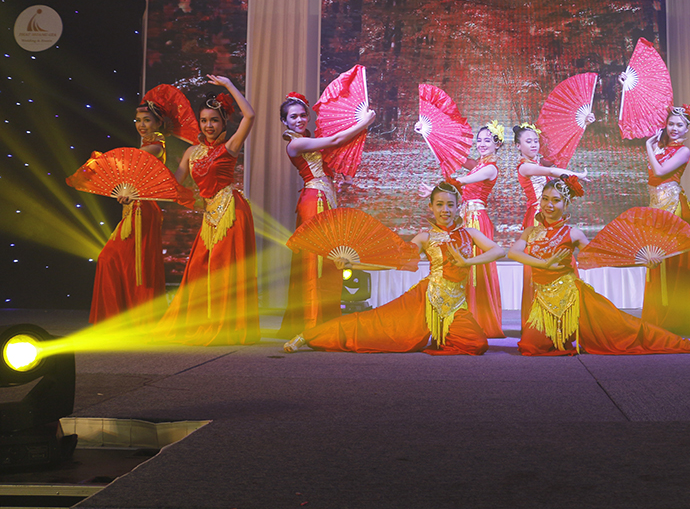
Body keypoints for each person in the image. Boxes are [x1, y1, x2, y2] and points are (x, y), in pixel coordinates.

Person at [283, 183, 505, 354]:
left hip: (454, 305)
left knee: (476, 344)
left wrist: (468, 263)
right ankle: (308, 336)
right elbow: (394, 261)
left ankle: (442, 334)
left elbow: (499, 251)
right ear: (431, 207)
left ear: (459, 207)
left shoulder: (470, 233)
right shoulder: (425, 237)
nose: (445, 210)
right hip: (425, 300)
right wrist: (352, 265)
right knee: (373, 325)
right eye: (439, 204)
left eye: (450, 205)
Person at [509, 177, 690, 356]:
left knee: (626, 329)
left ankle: (686, 345)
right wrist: (545, 264)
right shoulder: (530, 232)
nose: (549, 205)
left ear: (566, 203)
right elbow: (513, 253)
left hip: (575, 300)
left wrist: (641, 262)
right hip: (543, 302)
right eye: (545, 199)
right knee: (530, 347)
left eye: (556, 200)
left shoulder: (573, 233)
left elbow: (604, 257)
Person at [156, 75, 259, 345]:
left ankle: (226, 326)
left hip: (231, 212)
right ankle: (202, 322)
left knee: (224, 269)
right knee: (200, 269)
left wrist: (228, 86)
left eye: (214, 120)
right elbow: (172, 185)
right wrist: (139, 191)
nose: (208, 125)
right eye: (203, 120)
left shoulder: (229, 147)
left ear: (223, 123)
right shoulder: (192, 152)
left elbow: (250, 116)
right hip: (209, 215)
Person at [278, 92, 375, 337]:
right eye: (293, 117)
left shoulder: (309, 140)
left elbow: (338, 146)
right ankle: (312, 321)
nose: (299, 120)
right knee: (315, 260)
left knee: (330, 260)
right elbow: (335, 140)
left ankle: (326, 318)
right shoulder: (295, 144)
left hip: (325, 199)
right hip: (314, 202)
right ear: (284, 121)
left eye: (302, 115)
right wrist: (364, 122)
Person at [89, 92, 182, 324]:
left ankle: (135, 319)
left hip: (143, 212)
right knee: (120, 262)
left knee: (126, 263)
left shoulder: (156, 146)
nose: (141, 125)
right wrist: (125, 191)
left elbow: (131, 163)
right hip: (134, 210)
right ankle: (122, 318)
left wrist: (103, 163)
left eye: (147, 120)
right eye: (138, 120)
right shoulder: (146, 146)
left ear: (158, 123)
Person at [420, 121, 506, 338]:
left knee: (473, 266)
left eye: (487, 140)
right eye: (479, 140)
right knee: (461, 264)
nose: (482, 144)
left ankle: (478, 319)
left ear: (497, 144)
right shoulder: (478, 164)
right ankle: (459, 314)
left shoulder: (489, 168)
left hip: (476, 219)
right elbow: (452, 157)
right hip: (466, 217)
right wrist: (429, 136)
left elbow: (462, 180)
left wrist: (436, 190)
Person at [513, 123, 590, 327]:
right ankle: (538, 320)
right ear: (518, 146)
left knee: (561, 258)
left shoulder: (536, 162)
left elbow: (557, 157)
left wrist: (582, 126)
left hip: (551, 216)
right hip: (538, 218)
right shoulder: (525, 166)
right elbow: (551, 170)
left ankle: (563, 315)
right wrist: (575, 176)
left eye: (535, 141)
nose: (533, 145)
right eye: (528, 141)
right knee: (540, 265)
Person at [641, 104, 690, 336]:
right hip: (656, 208)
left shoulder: (683, 151)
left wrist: (648, 147)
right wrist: (654, 147)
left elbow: (659, 172)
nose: (674, 128)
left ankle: (679, 318)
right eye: (671, 124)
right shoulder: (659, 147)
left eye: (680, 125)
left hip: (676, 208)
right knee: (656, 260)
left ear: (687, 129)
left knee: (676, 263)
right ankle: (659, 315)